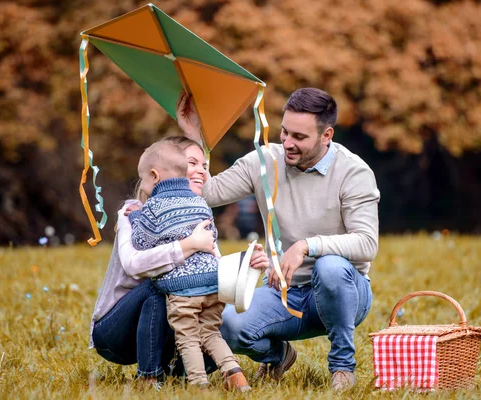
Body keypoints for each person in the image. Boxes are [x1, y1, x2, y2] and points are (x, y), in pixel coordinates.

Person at [178, 88, 380, 392]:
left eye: (299, 137)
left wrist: (306, 246)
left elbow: (367, 243)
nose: (287, 143)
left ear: (326, 136)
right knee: (226, 325)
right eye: (284, 132)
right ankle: (278, 356)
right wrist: (194, 137)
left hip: (345, 291)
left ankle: (342, 367)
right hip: (285, 292)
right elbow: (207, 193)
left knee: (329, 267)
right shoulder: (264, 162)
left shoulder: (354, 172)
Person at [90, 136, 269, 389]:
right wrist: (189, 244)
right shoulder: (134, 212)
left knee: (208, 308)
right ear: (167, 171)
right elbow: (133, 264)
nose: (199, 171)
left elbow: (208, 269)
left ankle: (195, 376)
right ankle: (148, 376)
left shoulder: (198, 213)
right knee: (160, 285)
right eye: (191, 163)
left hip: (164, 329)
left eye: (204, 166)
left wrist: (245, 263)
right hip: (117, 332)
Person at [127, 140, 249, 391]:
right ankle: (235, 374)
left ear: (154, 175)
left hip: (182, 287)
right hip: (212, 282)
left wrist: (137, 218)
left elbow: (140, 242)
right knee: (211, 333)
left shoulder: (154, 207)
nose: (144, 186)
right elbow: (211, 236)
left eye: (144, 180)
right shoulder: (200, 203)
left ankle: (198, 385)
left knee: (189, 338)